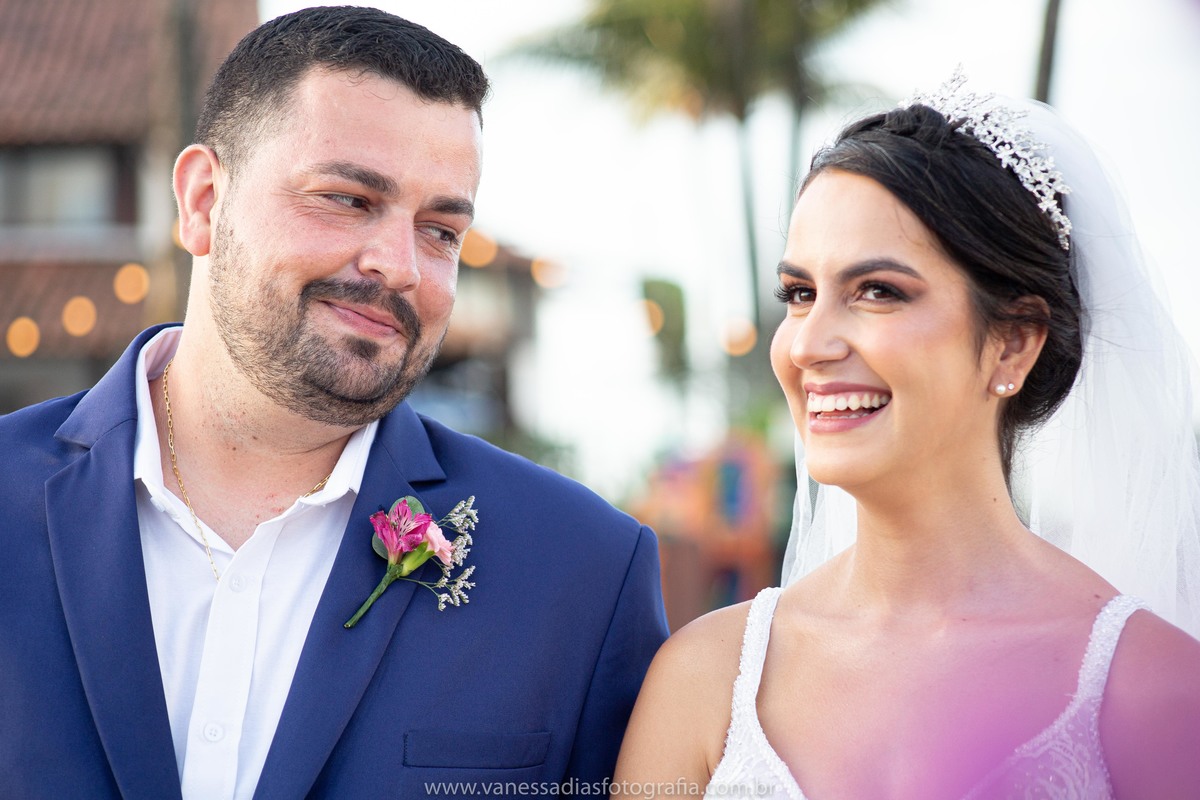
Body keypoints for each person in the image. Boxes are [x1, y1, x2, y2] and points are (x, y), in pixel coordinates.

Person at [0, 7, 667, 799]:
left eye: (441, 230)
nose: (399, 265)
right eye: (349, 199)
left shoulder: (580, 574)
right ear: (205, 201)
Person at [613, 72, 1200, 799]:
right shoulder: (708, 677)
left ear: (1014, 342)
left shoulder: (1157, 694)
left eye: (878, 291)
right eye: (800, 294)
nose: (808, 344)